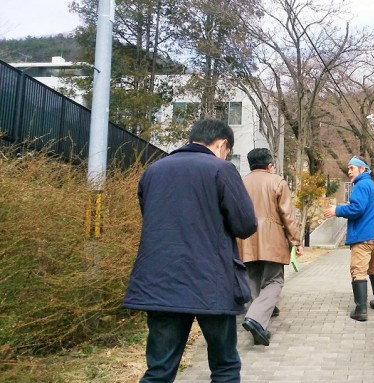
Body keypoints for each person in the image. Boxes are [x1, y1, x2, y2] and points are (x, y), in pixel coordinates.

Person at [124, 119, 258, 383]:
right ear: (222, 144)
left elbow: (150, 217)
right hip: (211, 282)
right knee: (224, 367)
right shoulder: (222, 170)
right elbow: (245, 224)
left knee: (159, 369)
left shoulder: (153, 171)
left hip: (161, 282)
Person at [236, 148, 303, 346]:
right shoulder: (277, 182)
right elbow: (288, 215)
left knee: (252, 280)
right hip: (271, 239)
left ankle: (257, 322)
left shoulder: (240, 183)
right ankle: (256, 319)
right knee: (274, 281)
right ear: (269, 165)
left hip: (245, 238)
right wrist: (295, 241)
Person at [323, 155, 374, 321]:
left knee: (358, 271)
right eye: (348, 168)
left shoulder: (361, 184)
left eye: (352, 168)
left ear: (362, 169)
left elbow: (357, 209)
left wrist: (337, 210)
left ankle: (361, 310)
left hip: (363, 237)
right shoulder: (372, 185)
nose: (349, 171)